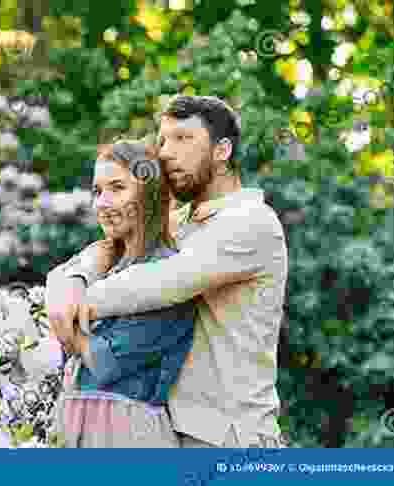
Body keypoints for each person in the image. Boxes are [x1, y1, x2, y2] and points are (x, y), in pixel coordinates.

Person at [46, 95, 288, 448]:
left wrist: (78, 301)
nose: (166, 152)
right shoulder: (179, 222)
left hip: (230, 437)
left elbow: (165, 282)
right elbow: (105, 248)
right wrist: (69, 281)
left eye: (183, 139)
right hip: (169, 430)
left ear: (222, 151)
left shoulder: (250, 223)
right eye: (162, 140)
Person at [48, 139, 199, 448]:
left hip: (126, 434)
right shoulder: (101, 267)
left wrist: (65, 318)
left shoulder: (168, 275)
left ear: (150, 196)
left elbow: (103, 361)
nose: (102, 203)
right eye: (97, 191)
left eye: (117, 188)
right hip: (78, 425)